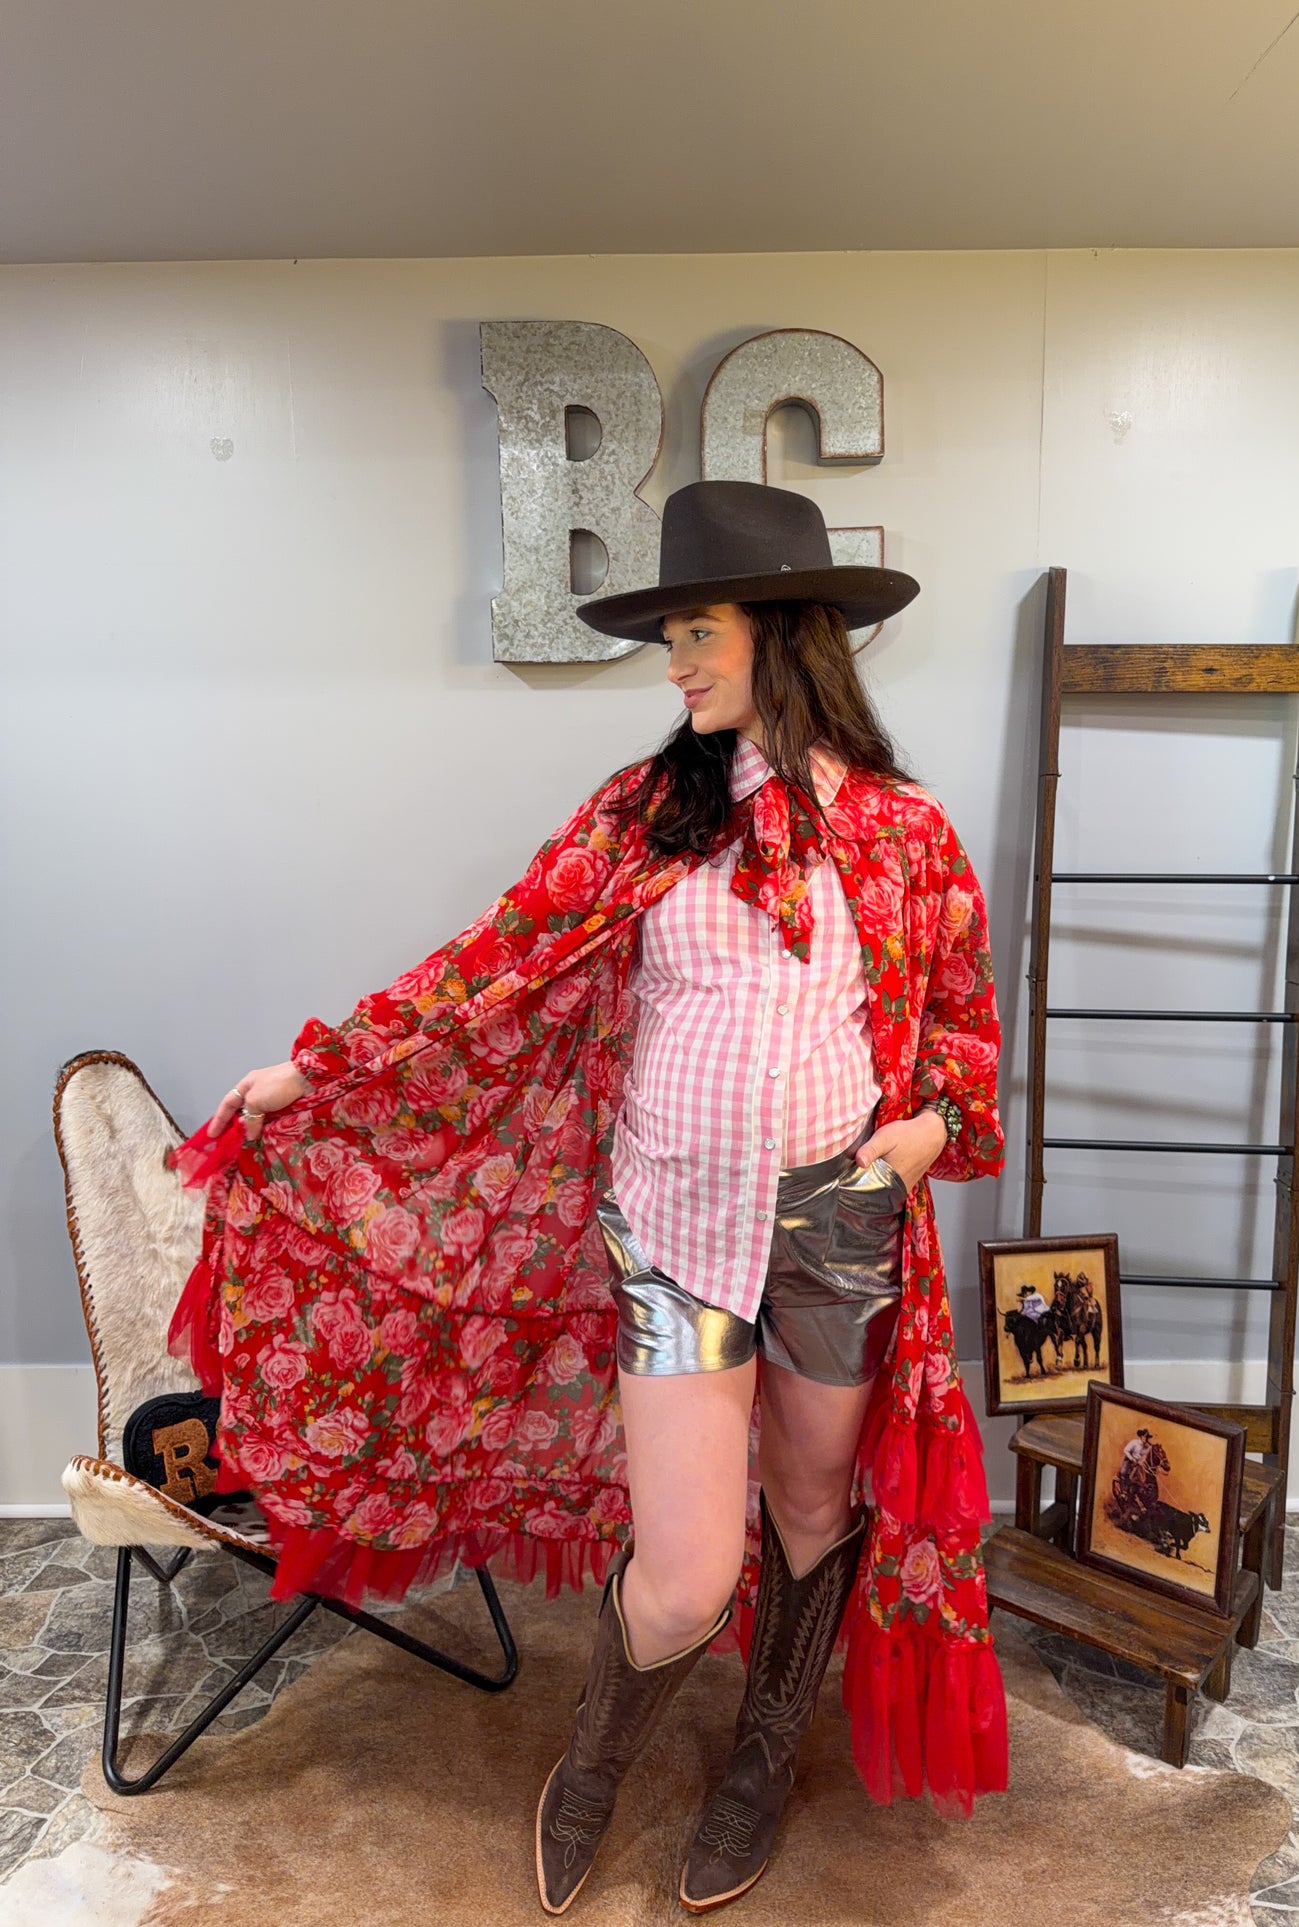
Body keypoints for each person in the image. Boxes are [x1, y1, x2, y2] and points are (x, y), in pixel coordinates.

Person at [167, 480, 1007, 1916]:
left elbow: (961, 1051)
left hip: (836, 1232)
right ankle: (599, 1760)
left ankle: (756, 1760)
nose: (672, 665)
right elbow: (493, 961)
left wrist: (912, 1146)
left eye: (695, 632)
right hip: (678, 1242)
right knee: (683, 1575)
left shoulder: (904, 836)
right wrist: (324, 1071)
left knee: (811, 1508)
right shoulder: (643, 812)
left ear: (786, 635)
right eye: (668, 637)